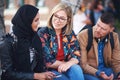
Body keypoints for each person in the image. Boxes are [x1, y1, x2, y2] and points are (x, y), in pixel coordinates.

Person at [0, 4, 59, 80]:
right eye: (36, 20)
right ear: (27, 22)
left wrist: (44, 75)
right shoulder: (8, 43)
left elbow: (39, 66)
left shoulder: (35, 38)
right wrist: (35, 76)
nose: (39, 23)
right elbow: (8, 74)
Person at [38, 3, 84, 80]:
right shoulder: (43, 33)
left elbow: (76, 54)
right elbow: (48, 61)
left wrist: (69, 64)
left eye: (62, 18)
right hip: (49, 70)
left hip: (67, 68)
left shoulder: (69, 33)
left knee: (77, 69)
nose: (57, 20)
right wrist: (66, 64)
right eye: (56, 16)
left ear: (68, 20)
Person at [77, 12, 120, 80]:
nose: (98, 30)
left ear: (111, 30)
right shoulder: (83, 36)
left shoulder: (114, 37)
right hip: (89, 71)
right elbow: (83, 64)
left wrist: (118, 73)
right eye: (98, 25)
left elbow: (116, 62)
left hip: (107, 70)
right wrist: (98, 73)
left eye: (103, 29)